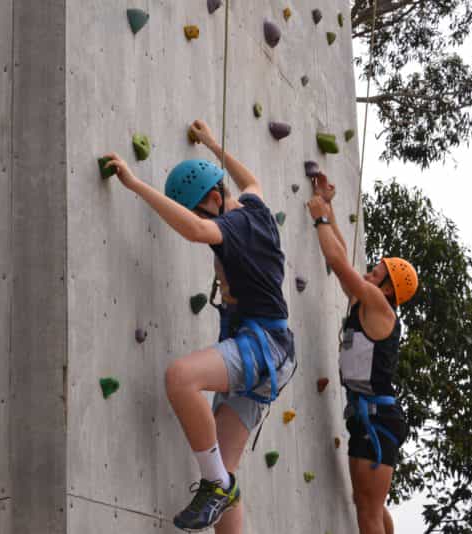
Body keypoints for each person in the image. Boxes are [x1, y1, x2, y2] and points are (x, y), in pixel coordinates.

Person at [102, 119, 295, 533]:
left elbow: (194, 230)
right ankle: (219, 483)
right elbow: (253, 180)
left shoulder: (235, 226)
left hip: (262, 346)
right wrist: (211, 143)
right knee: (227, 473)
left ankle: (213, 484)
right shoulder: (254, 210)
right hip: (268, 351)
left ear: (212, 198)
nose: (195, 217)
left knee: (181, 378)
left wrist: (135, 185)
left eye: (196, 207)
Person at [306, 173, 417, 534]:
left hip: (376, 420)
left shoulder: (377, 306)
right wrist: (330, 208)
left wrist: (320, 217)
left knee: (367, 512)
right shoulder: (367, 302)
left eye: (376, 273)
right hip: (371, 418)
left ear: (386, 291)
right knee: (371, 505)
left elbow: (339, 263)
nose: (368, 273)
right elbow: (345, 259)